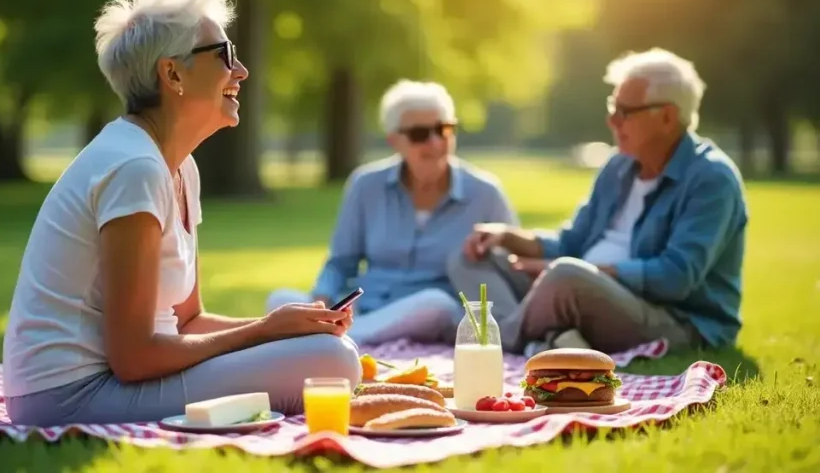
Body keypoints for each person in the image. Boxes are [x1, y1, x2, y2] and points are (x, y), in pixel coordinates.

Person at [1, 0, 361, 427]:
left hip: (118, 380)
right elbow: (134, 357)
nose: (242, 70)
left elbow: (187, 322)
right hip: (68, 397)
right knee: (332, 363)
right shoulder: (135, 168)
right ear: (172, 74)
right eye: (225, 54)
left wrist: (283, 327)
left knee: (325, 353)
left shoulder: (177, 166)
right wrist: (266, 331)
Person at [449, 48, 747, 356]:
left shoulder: (712, 179)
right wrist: (506, 236)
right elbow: (572, 241)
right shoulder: (618, 166)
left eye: (625, 111)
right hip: (580, 291)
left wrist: (585, 272)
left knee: (564, 276)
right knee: (469, 257)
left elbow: (675, 278)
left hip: (673, 320)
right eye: (612, 107)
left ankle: (500, 344)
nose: (612, 120)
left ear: (668, 117)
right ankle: (543, 337)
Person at [266, 80, 518, 345]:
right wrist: (321, 300)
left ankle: (334, 338)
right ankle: (330, 332)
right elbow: (341, 262)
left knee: (435, 303)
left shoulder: (485, 193)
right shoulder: (365, 185)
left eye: (443, 129)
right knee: (280, 299)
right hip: (364, 307)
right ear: (394, 141)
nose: (435, 142)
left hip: (433, 315)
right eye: (420, 134)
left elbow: (510, 266)